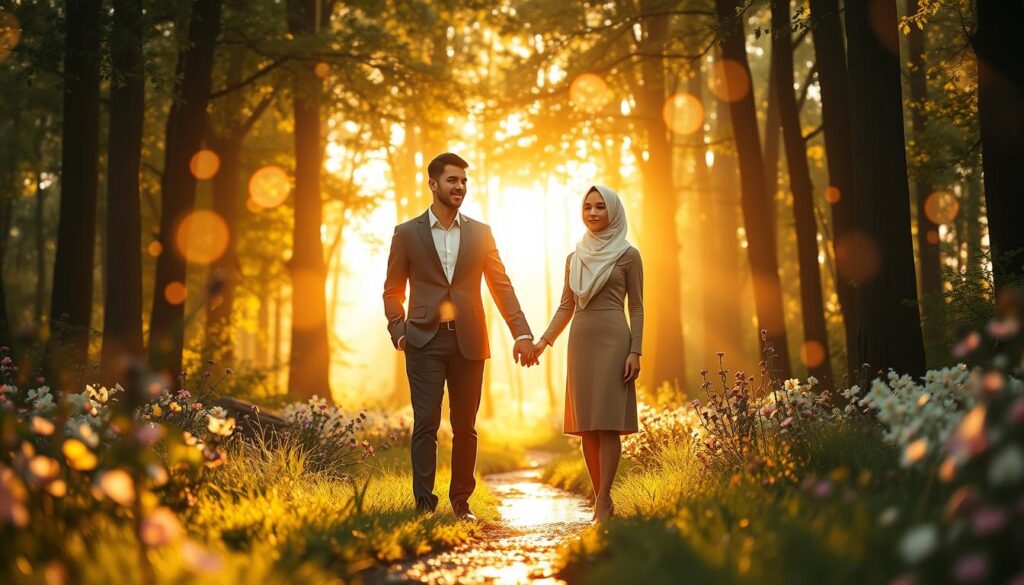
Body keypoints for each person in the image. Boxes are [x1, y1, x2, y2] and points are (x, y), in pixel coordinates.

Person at [382, 152, 538, 521]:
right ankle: (423, 504)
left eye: (464, 181)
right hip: (422, 340)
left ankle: (461, 503)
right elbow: (392, 290)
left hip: (469, 341)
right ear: (433, 184)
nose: (460, 187)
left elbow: (501, 285)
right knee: (425, 423)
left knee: (466, 427)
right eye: (453, 180)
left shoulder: (481, 233)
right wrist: (398, 329)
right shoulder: (406, 233)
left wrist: (522, 332)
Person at [534, 185, 643, 523]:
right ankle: (601, 499)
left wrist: (635, 351)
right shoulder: (574, 257)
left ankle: (603, 499)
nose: (593, 213)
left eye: (600, 207)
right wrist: (543, 341)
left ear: (612, 211)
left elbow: (637, 308)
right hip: (580, 343)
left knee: (607, 424)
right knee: (587, 427)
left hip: (614, 343)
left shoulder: (628, 255)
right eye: (587, 207)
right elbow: (566, 306)